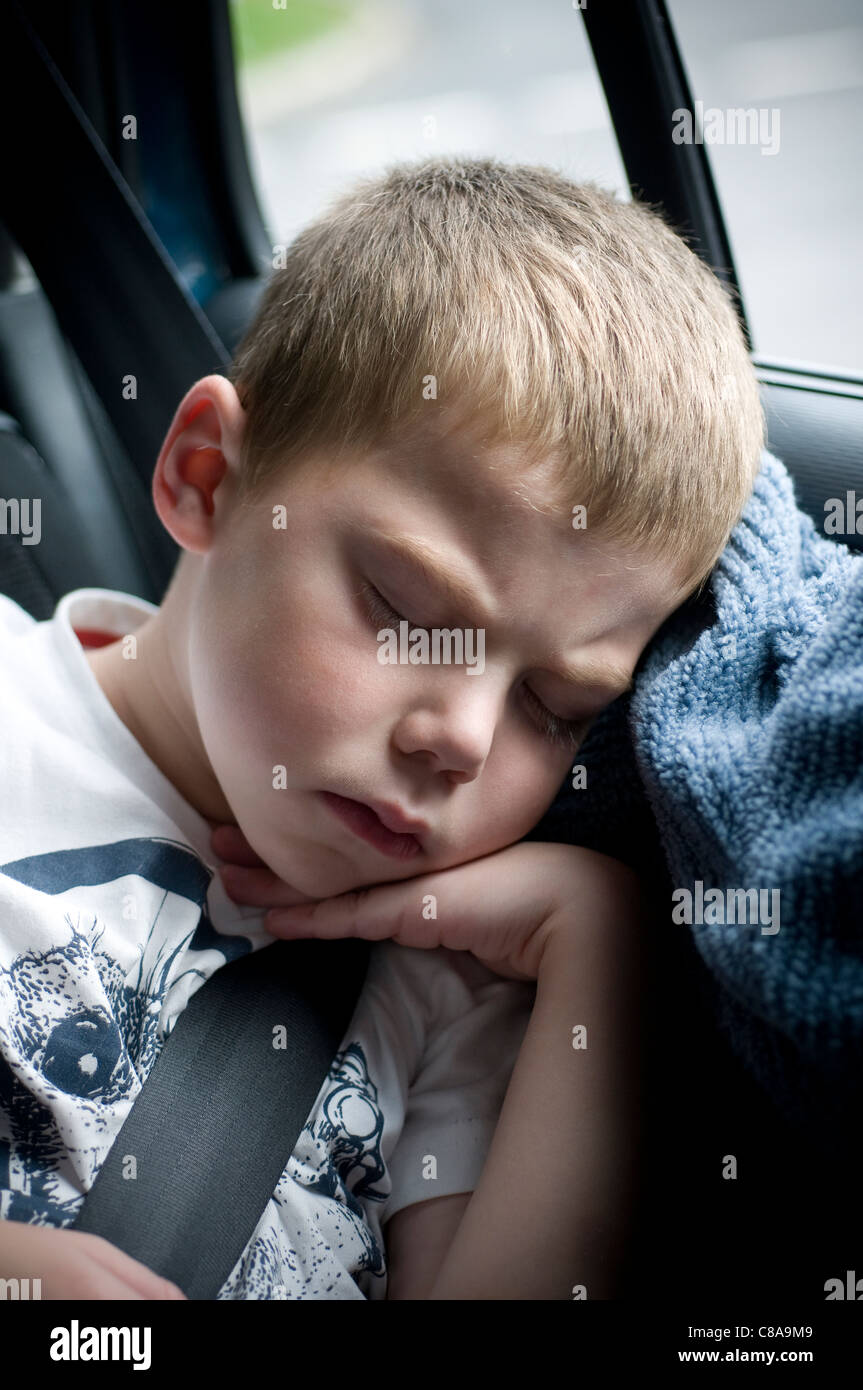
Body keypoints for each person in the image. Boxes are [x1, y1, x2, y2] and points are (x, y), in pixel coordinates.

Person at [0, 154, 764, 1300]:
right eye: (406, 612)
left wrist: (594, 934)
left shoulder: (448, 985)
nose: (460, 737)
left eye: (553, 710)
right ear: (207, 477)